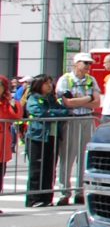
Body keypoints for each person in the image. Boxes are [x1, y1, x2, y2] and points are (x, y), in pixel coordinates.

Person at [53, 56, 99, 205]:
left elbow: (97, 103)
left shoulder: (91, 80)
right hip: (71, 120)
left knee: (83, 158)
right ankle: (64, 192)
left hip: (87, 119)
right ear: (76, 63)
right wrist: (88, 98)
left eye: (90, 63)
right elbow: (67, 103)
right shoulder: (65, 79)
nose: (88, 66)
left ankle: (80, 192)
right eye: (85, 63)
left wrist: (82, 101)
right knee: (67, 156)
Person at [21, 74, 60, 207]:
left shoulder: (51, 98)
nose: (49, 86)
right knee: (37, 168)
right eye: (46, 83)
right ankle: (33, 198)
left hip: (52, 136)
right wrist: (55, 113)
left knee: (50, 168)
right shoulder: (33, 98)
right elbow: (41, 113)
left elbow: (62, 110)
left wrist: (55, 112)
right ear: (39, 85)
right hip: (37, 136)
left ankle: (47, 197)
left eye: (50, 83)